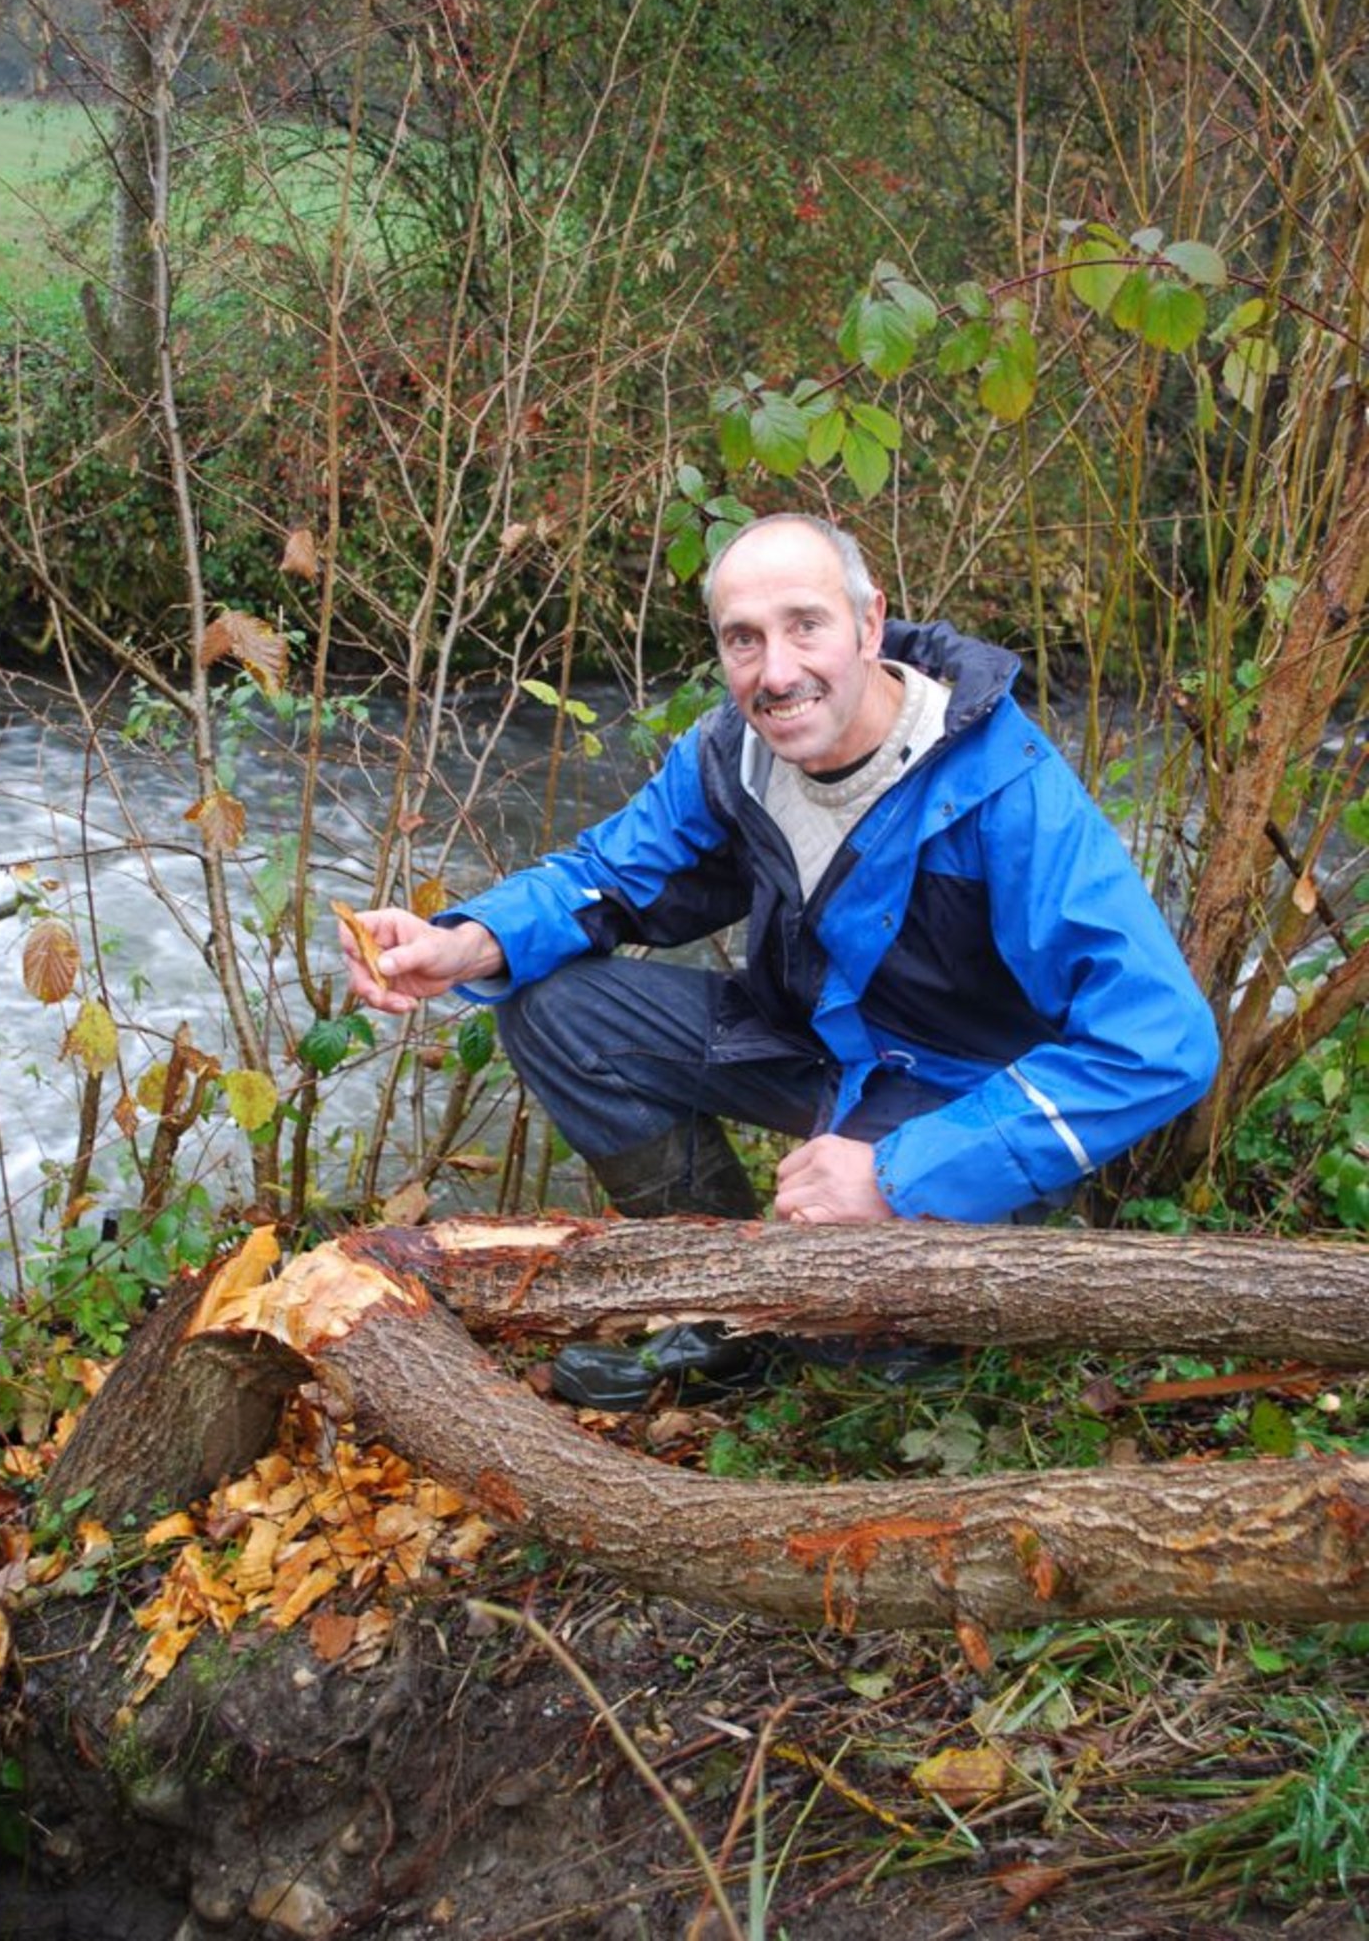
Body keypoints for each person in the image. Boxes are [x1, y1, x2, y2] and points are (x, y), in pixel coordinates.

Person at [340, 513, 1218, 1406]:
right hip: (810, 1044)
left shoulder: (1002, 787)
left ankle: (906, 1304)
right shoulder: (733, 754)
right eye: (744, 640)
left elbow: (1162, 1041)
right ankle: (725, 1312)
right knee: (556, 1011)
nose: (777, 671)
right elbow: (609, 872)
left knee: (846, 1359)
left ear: (870, 624)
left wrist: (897, 1174)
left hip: (960, 1096)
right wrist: (464, 943)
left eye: (807, 625)